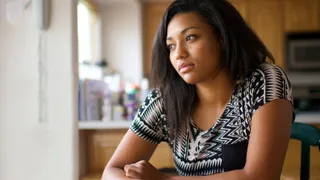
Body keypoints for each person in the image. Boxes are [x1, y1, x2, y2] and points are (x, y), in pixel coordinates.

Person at [102, 0, 295, 179]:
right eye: (170, 46)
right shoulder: (164, 100)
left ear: (221, 37)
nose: (179, 54)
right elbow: (112, 171)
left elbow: (260, 177)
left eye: (190, 37)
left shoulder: (264, 82)